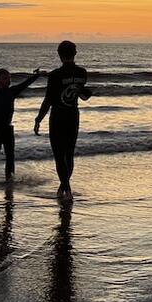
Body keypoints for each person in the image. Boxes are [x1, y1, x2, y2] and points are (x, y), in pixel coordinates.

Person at [34, 40, 91, 200]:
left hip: (58, 117)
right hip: (73, 115)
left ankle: (66, 190)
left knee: (59, 156)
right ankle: (64, 189)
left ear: (59, 55)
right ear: (75, 54)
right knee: (69, 154)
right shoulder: (82, 73)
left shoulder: (55, 75)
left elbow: (48, 100)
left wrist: (38, 119)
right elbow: (83, 95)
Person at [0, 67, 40, 183]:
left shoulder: (11, 92)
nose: (8, 80)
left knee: (10, 156)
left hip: (8, 129)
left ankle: (9, 180)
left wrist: (36, 76)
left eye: (9, 78)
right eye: (5, 78)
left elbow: (24, 84)